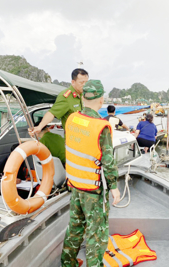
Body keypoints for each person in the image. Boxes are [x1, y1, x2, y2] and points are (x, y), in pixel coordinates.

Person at [62, 80, 121, 267]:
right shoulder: (101, 126)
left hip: (75, 186)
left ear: (82, 97)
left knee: (75, 228)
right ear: (101, 99)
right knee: (96, 234)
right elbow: (108, 162)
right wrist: (114, 187)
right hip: (93, 190)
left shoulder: (71, 119)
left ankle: (67, 263)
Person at [29, 69, 89, 136]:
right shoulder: (66, 97)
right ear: (73, 82)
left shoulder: (81, 95)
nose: (84, 85)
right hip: (73, 139)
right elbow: (52, 113)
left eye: (86, 83)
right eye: (81, 82)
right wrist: (39, 127)